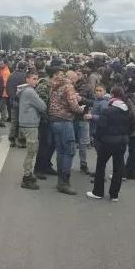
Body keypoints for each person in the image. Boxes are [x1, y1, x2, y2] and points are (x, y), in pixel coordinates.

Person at [87, 86, 133, 201]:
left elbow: (101, 127)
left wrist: (98, 138)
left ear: (112, 95)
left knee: (101, 165)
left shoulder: (107, 110)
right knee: (118, 168)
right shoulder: (128, 110)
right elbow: (133, 125)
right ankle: (114, 194)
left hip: (107, 141)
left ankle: (98, 191)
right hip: (122, 141)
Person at [48, 67, 84, 195]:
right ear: (72, 79)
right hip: (64, 120)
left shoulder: (55, 85)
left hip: (54, 119)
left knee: (60, 151)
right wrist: (82, 108)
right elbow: (74, 106)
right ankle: (64, 183)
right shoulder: (68, 86)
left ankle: (60, 181)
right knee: (69, 151)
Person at [18, 71, 48, 190]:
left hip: (26, 122)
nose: (36, 81)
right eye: (33, 79)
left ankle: (28, 174)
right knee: (31, 151)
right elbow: (43, 106)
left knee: (31, 150)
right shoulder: (30, 91)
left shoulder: (25, 90)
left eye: (36, 79)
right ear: (27, 79)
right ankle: (26, 177)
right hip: (30, 123)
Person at [7, 61, 28, 147]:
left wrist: (12, 97)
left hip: (13, 101)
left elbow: (7, 88)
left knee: (14, 121)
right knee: (22, 121)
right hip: (23, 102)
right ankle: (21, 140)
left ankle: (12, 139)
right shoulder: (25, 76)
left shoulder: (11, 75)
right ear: (25, 67)